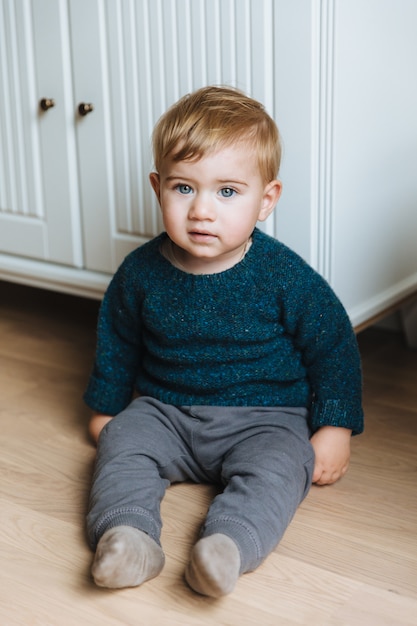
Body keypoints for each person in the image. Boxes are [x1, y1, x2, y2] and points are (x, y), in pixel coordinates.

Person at [84, 85, 364, 597]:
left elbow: (332, 346)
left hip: (266, 416)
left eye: (227, 192)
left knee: (282, 466)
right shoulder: (140, 273)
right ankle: (127, 537)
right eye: (184, 188)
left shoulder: (284, 276)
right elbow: (118, 342)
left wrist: (336, 425)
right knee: (122, 446)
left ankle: (227, 546)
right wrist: (106, 408)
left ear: (266, 200)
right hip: (165, 410)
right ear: (158, 188)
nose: (201, 211)